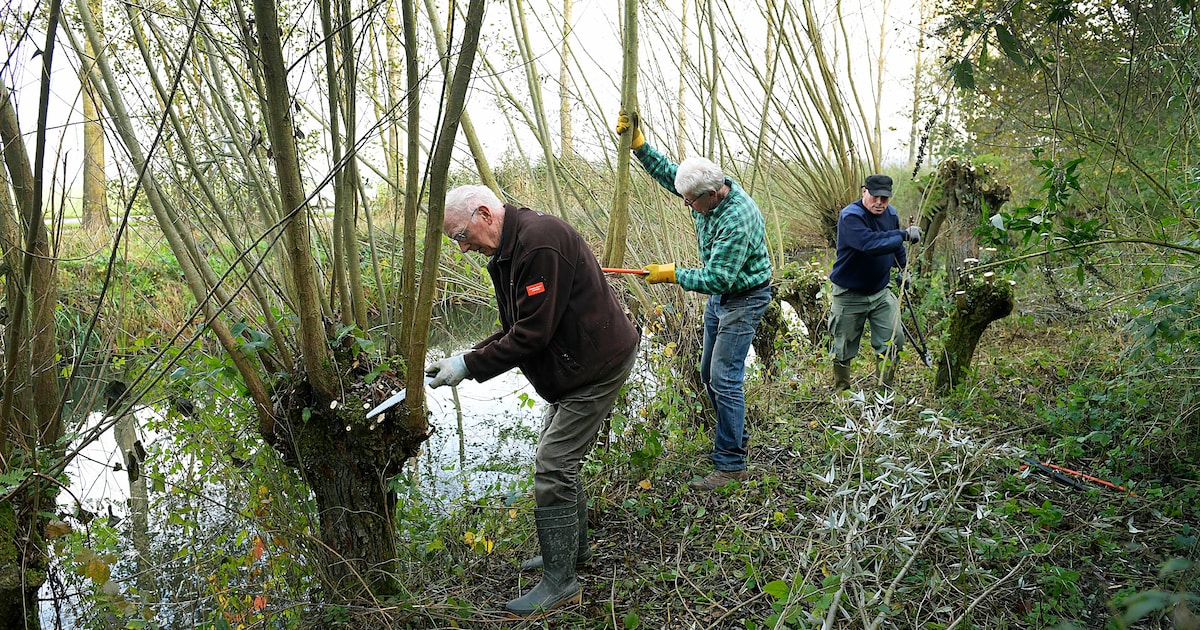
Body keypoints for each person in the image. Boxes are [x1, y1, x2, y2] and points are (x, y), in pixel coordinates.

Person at [425, 185, 640, 617]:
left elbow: (533, 335)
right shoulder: (507, 251)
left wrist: (469, 368)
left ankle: (561, 583)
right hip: (574, 368)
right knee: (559, 461)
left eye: (459, 235)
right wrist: (462, 357)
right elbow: (516, 325)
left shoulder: (539, 243)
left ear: (484, 213)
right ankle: (571, 554)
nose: (462, 248)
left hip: (596, 365)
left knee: (554, 463)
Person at [615, 112, 772, 492]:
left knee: (724, 379)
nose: (685, 206)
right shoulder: (704, 191)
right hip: (722, 299)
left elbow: (719, 277)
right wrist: (639, 146)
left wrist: (672, 274)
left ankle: (731, 464)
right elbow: (669, 173)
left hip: (744, 299)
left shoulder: (736, 219)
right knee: (708, 375)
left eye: (690, 202)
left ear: (712, 195)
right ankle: (735, 439)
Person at [827, 174, 922, 390]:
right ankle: (843, 393)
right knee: (843, 347)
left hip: (880, 292)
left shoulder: (891, 214)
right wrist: (903, 234)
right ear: (864, 192)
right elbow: (870, 244)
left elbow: (895, 245)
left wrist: (903, 269)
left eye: (884, 198)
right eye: (875, 196)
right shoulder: (850, 216)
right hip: (849, 294)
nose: (879, 202)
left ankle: (884, 393)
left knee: (893, 340)